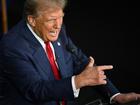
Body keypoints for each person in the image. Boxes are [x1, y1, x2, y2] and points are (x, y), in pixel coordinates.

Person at [0, 0, 140, 105]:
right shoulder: (11, 46)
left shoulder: (58, 29)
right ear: (32, 20)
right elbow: (35, 90)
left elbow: (81, 62)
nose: (58, 25)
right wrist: (78, 81)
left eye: (61, 16)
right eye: (51, 19)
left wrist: (115, 95)